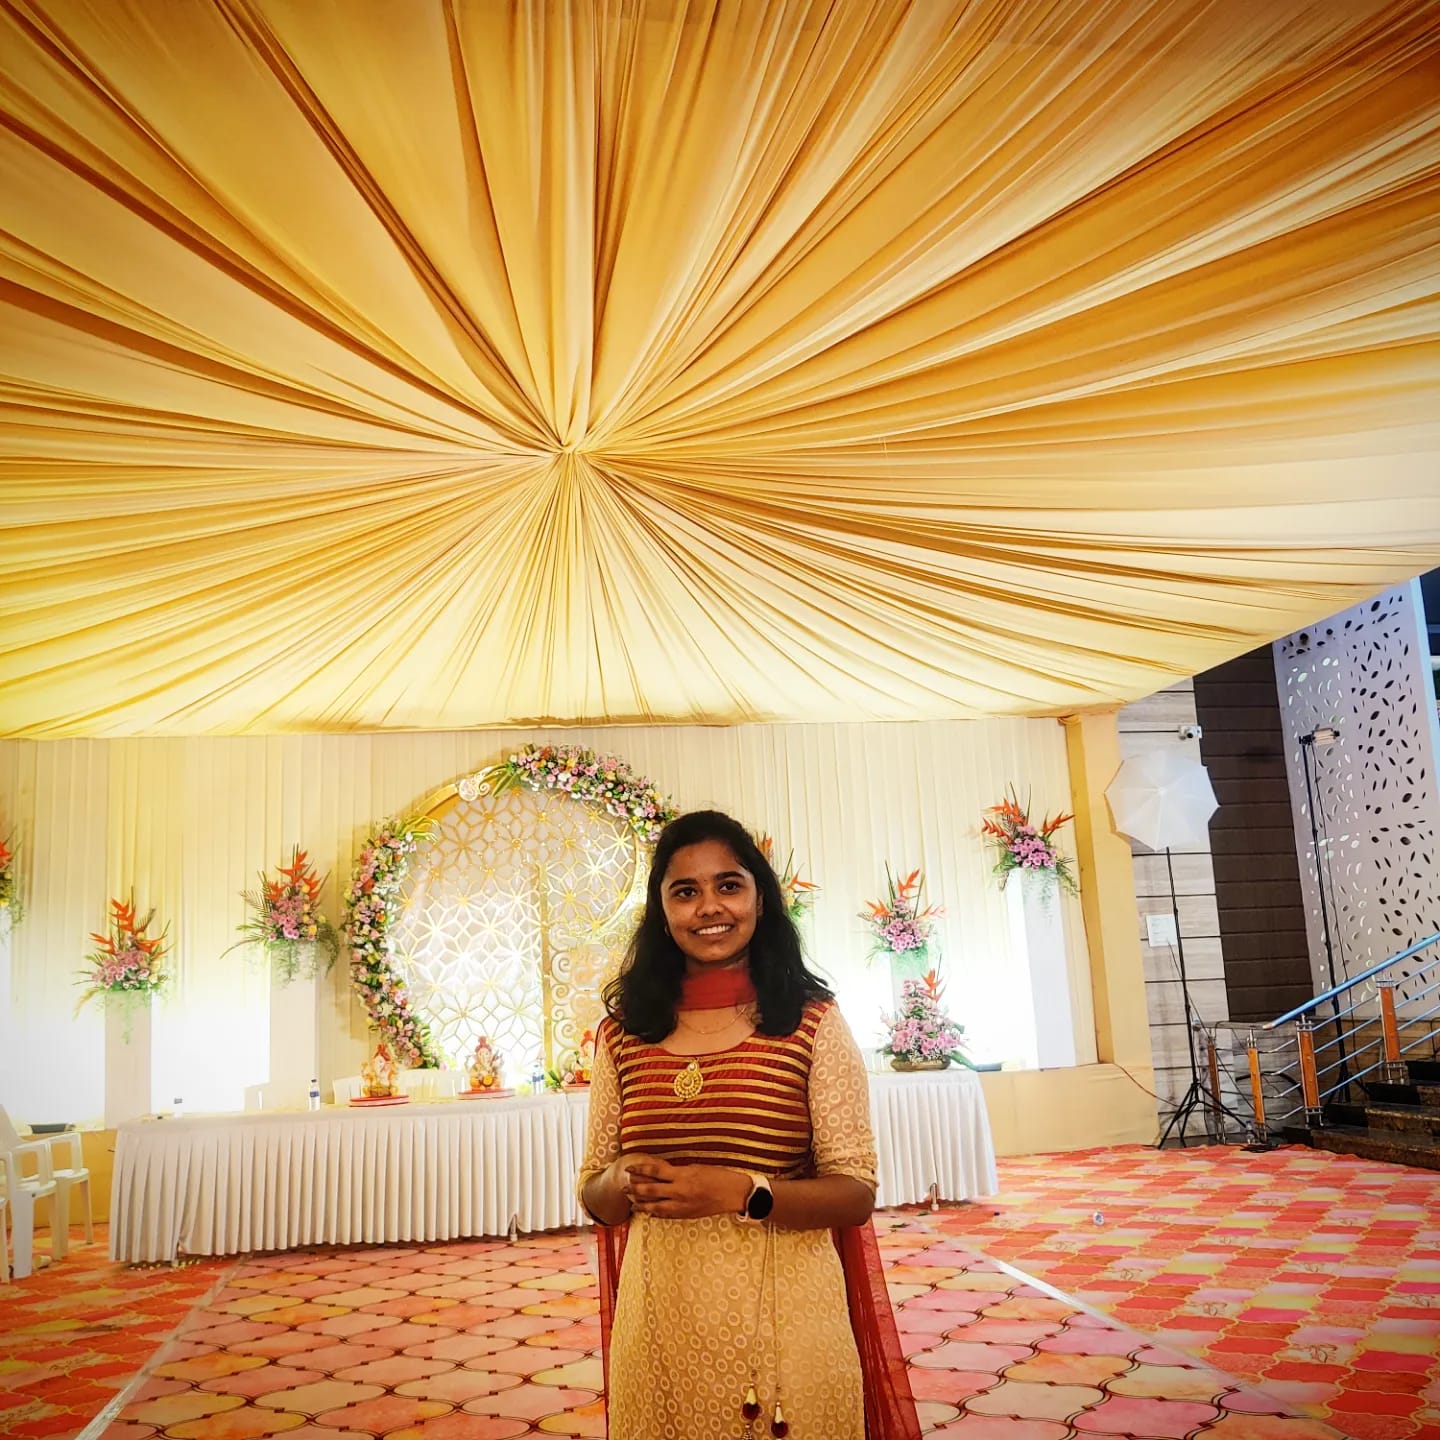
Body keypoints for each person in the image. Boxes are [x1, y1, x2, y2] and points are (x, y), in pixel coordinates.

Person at [578, 810, 920, 1440]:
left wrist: (743, 1192)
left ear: (760, 899)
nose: (709, 907)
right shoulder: (624, 1034)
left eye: (728, 885)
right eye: (686, 891)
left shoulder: (810, 1022)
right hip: (658, 1328)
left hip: (789, 1323)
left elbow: (855, 1194)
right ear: (662, 912)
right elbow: (595, 1197)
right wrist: (620, 1177)